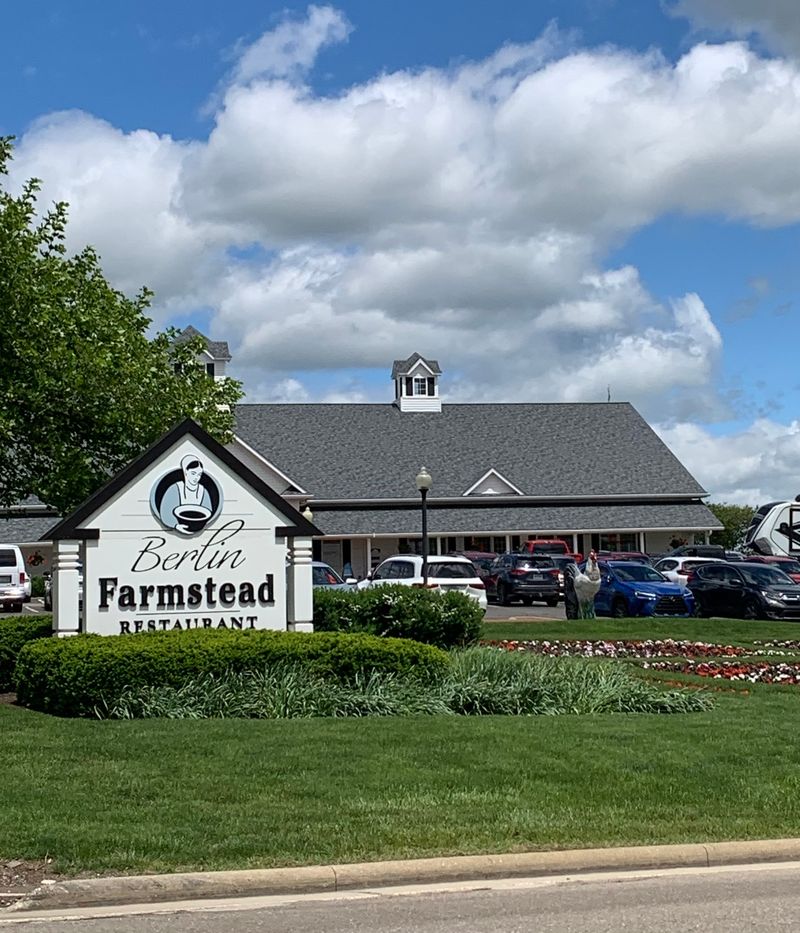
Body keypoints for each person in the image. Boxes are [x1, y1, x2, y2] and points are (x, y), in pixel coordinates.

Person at [157, 455, 213, 533]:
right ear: (186, 471)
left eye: (199, 474)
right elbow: (165, 512)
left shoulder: (203, 491)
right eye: (193, 473)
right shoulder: (174, 489)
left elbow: (208, 511)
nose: (196, 478)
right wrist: (176, 525)